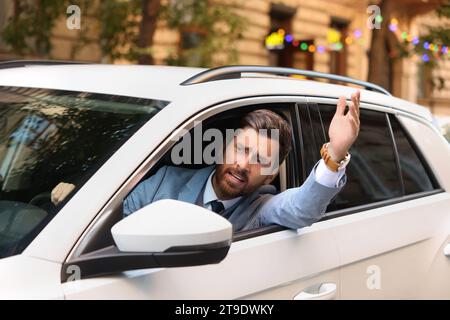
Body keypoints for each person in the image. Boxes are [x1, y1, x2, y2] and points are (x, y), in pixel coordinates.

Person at [52, 91, 360, 232]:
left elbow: (301, 208)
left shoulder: (260, 208)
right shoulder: (164, 180)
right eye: (240, 149)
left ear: (268, 177)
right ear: (223, 149)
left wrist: (334, 153)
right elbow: (109, 225)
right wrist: (82, 201)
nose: (243, 164)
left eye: (260, 160)